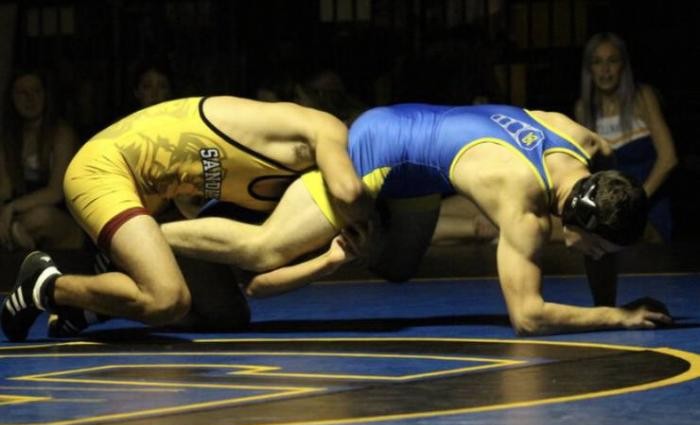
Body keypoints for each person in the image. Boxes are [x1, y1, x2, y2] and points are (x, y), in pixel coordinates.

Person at [161, 104, 672, 336]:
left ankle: (340, 234)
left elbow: (605, 224)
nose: (596, 258)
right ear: (575, 220)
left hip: (418, 155)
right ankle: (143, 233)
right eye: (596, 249)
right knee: (265, 249)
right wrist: (617, 317)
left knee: (398, 267)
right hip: (377, 148)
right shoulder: (522, 208)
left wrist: (607, 301)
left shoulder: (588, 146)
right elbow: (529, 318)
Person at [1, 96, 368, 341]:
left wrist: (328, 260)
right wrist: (379, 213)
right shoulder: (325, 129)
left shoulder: (295, 190)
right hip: (104, 168)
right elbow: (349, 191)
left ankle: (87, 309)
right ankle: (44, 286)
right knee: (167, 299)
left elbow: (256, 280)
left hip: (151, 203)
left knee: (227, 315)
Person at [575, 32, 677, 242]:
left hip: (649, 205)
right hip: (608, 211)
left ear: (623, 66)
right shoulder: (583, 109)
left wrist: (635, 202)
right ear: (589, 69)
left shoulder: (643, 97)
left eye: (612, 61)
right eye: (597, 62)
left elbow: (668, 159)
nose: (605, 70)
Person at [0, 68, 84, 251]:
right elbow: (5, 190)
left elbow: (56, 192)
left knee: (40, 216)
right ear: (12, 98)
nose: (30, 98)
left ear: (46, 95)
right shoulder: (9, 138)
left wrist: (13, 207)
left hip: (62, 221)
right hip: (21, 217)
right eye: (22, 93)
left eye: (36, 91)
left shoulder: (61, 133)